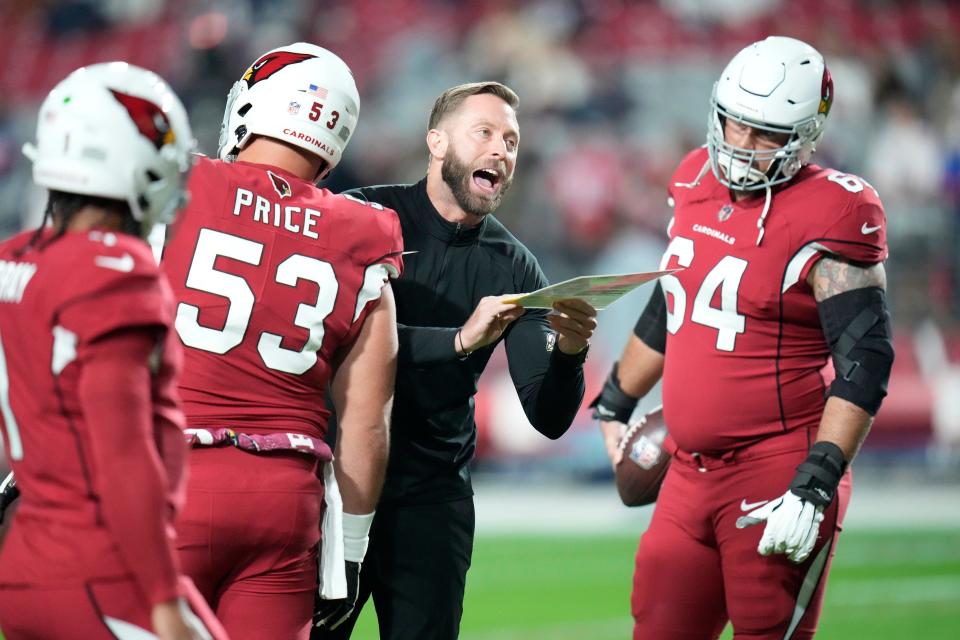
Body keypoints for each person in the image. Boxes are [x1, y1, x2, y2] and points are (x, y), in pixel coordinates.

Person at [592, 36, 894, 639]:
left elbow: (866, 357)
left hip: (776, 472)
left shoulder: (833, 209)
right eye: (734, 125)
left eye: (765, 135)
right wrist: (614, 401)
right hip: (686, 471)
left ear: (806, 133)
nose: (742, 146)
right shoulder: (692, 179)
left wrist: (818, 477)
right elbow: (673, 301)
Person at [315, 82, 598, 640]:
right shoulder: (358, 216)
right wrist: (457, 341)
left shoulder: (516, 267)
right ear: (437, 142)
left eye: (512, 141)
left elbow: (548, 415)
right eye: (485, 133)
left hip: (432, 499)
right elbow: (327, 338)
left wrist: (569, 353)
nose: (501, 150)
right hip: (332, 480)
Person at [158, 43, 403, 640]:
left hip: (170, 476)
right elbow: (368, 425)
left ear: (251, 105)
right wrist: (348, 553)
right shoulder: (364, 234)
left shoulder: (176, 187)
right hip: (286, 499)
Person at [0, 63, 227, 639]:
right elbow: (122, 452)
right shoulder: (116, 272)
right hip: (105, 569)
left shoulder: (14, 259)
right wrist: (162, 593)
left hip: (25, 559)